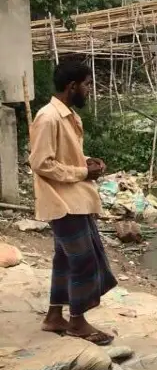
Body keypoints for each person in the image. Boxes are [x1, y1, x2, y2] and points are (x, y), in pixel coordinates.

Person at [29, 59, 117, 345]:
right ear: (72, 86)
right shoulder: (48, 117)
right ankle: (77, 322)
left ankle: (55, 317)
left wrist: (87, 162)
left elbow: (64, 157)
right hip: (62, 202)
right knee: (84, 262)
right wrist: (82, 171)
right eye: (87, 84)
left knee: (65, 260)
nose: (90, 90)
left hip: (75, 199)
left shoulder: (68, 116)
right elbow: (41, 163)